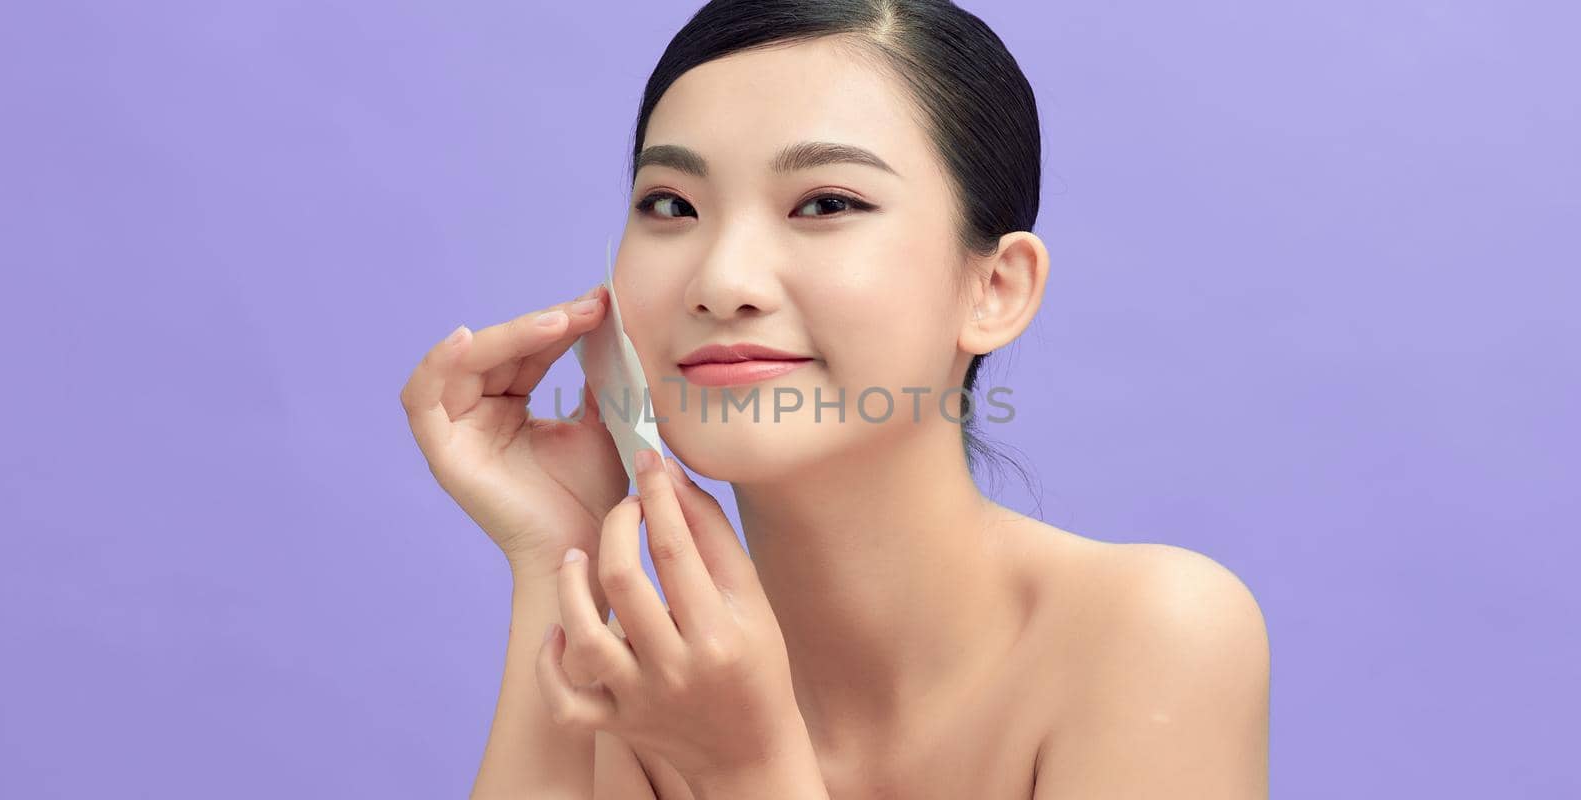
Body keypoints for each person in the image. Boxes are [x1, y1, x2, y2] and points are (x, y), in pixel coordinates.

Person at [399, 1, 1269, 797]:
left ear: (996, 288)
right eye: (671, 204)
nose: (722, 280)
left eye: (825, 202)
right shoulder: (648, 694)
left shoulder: (1149, 638)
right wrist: (561, 552)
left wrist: (744, 768)